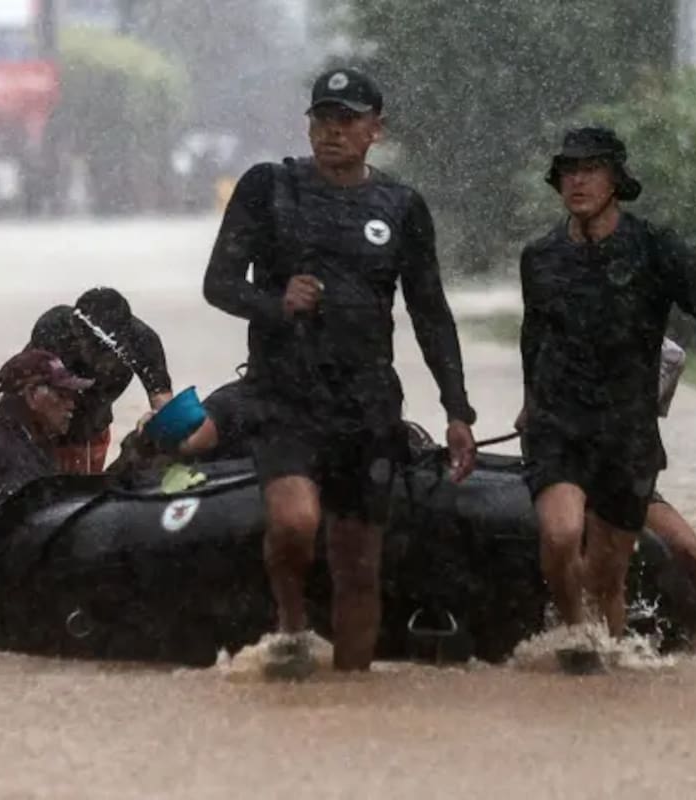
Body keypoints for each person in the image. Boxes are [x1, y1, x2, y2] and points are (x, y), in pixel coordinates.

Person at [202, 67, 478, 679]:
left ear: (375, 129)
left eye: (347, 120)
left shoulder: (401, 206)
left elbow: (430, 312)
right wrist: (275, 303)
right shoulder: (267, 187)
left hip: (367, 405)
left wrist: (457, 409)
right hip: (285, 395)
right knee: (296, 521)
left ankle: (350, 694)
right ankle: (293, 624)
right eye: (322, 118)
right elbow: (217, 284)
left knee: (359, 566)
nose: (332, 131)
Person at [518, 126, 696, 660]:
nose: (576, 181)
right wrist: (530, 400)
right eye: (568, 172)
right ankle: (576, 639)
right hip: (559, 426)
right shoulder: (539, 257)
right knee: (559, 535)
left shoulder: (657, 250)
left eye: (590, 170)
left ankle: (609, 667)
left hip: (625, 433)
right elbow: (533, 337)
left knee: (608, 578)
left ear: (616, 181)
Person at [517, 335, 696, 653]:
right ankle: (580, 647)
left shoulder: (656, 345)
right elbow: (529, 421)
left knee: (691, 552)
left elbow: (643, 413)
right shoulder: (552, 328)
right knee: (567, 540)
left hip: (619, 472)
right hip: (563, 468)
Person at [27, 287, 173, 474]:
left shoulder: (142, 343)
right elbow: (26, 397)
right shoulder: (53, 331)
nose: (106, 363)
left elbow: (165, 408)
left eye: (114, 353)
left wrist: (157, 424)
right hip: (43, 431)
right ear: (77, 335)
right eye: (98, 350)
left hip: (94, 427)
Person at [0, 349, 94, 493]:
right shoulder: (3, 455)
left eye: (73, 396)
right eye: (63, 395)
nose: (71, 405)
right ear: (32, 395)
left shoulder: (32, 439)